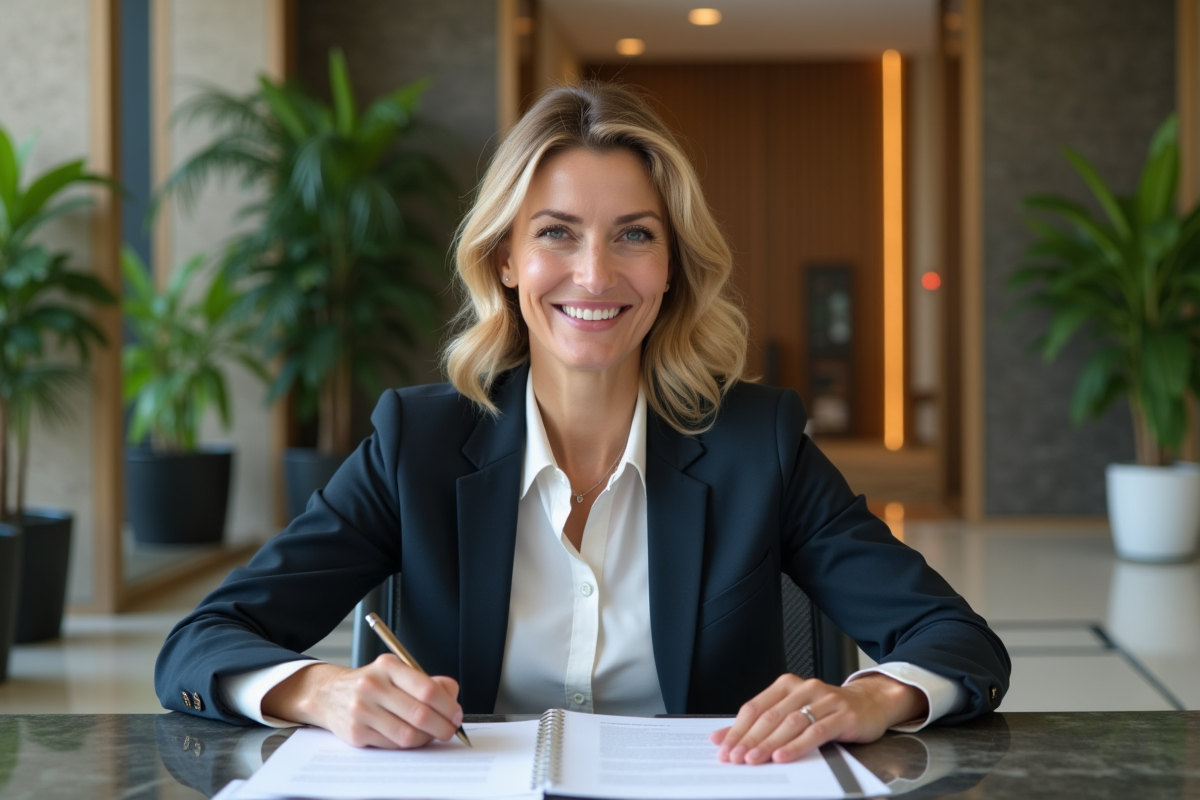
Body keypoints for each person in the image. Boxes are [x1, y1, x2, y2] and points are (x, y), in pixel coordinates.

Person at [156, 81, 1010, 766]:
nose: (594, 275)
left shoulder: (760, 445)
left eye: (633, 235)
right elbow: (200, 644)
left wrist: (872, 696)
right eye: (556, 234)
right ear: (505, 259)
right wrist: (319, 691)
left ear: (671, 265)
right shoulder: (414, 444)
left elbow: (957, 642)